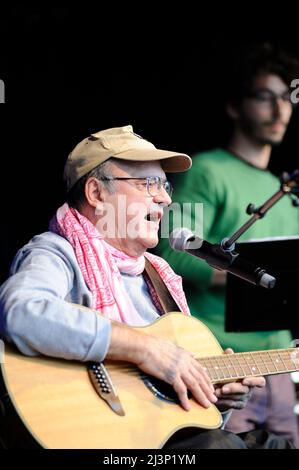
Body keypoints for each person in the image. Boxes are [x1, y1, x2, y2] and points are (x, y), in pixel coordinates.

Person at [0, 124, 286, 450]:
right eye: (149, 184)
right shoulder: (56, 252)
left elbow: (172, 418)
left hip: (154, 441)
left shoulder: (159, 277)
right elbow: (19, 312)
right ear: (97, 193)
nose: (164, 199)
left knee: (272, 445)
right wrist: (145, 348)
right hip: (100, 442)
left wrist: (212, 398)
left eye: (165, 186)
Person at [155, 43, 299, 447]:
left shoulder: (282, 189)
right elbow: (169, 253)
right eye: (264, 97)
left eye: (287, 98)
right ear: (235, 106)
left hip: (281, 363)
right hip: (223, 364)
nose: (279, 109)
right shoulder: (205, 170)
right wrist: (263, 280)